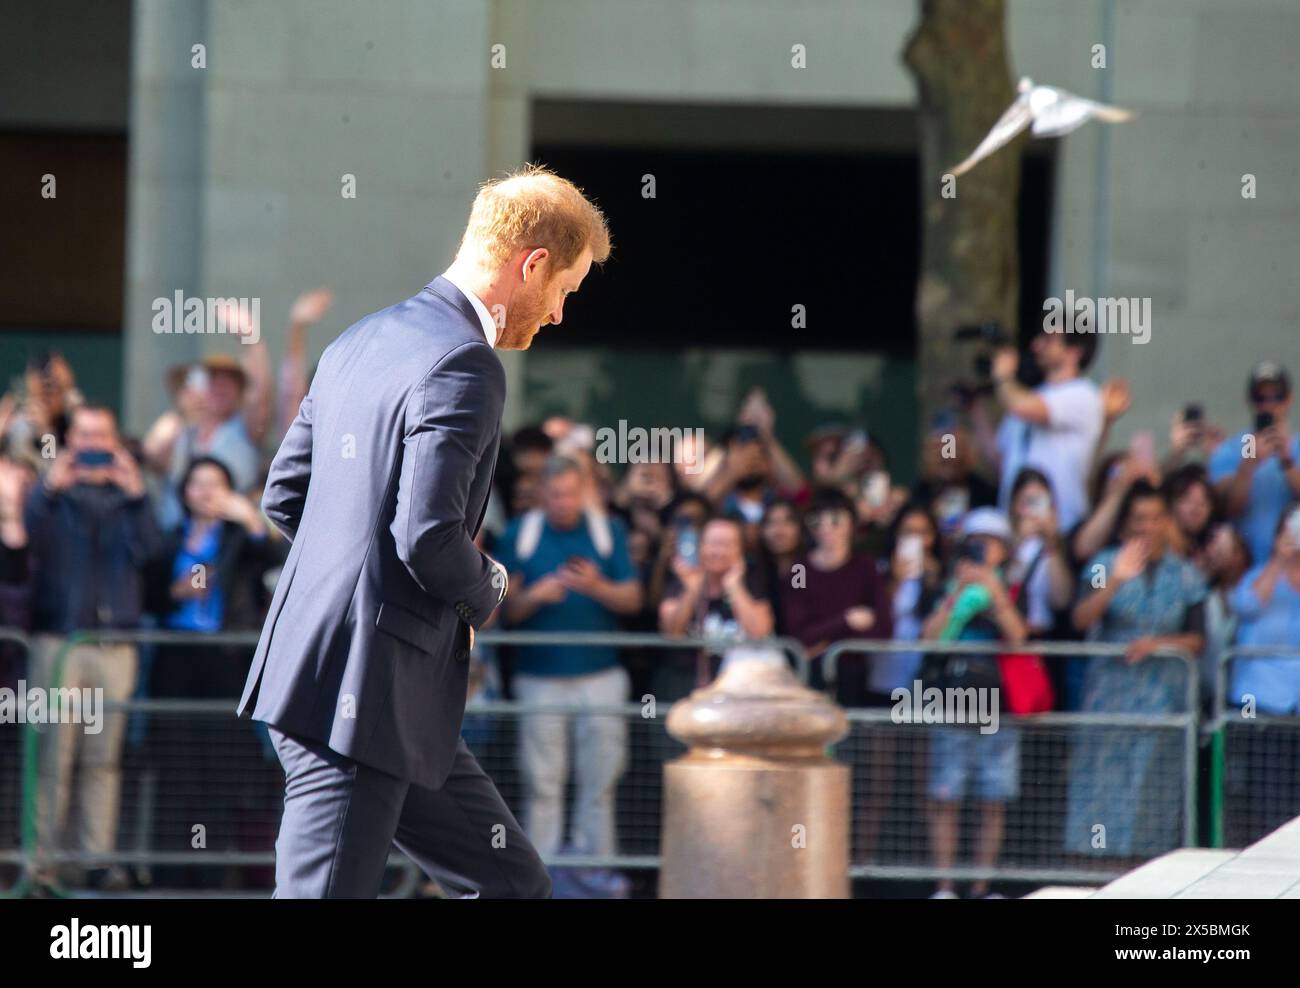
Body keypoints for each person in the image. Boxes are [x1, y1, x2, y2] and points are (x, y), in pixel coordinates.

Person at [238, 164, 611, 898]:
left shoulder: (360, 339)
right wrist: (491, 588)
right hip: (362, 695)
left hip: (364, 691)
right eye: (564, 291)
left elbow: (286, 497)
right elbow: (426, 535)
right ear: (532, 264)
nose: (559, 313)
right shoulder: (467, 363)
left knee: (515, 885)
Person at [25, 404, 162, 892]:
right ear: (70, 441)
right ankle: (41, 863)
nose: (92, 444)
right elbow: (28, 543)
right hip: (59, 643)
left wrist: (137, 493)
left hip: (114, 646)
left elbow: (154, 555)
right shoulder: (52, 496)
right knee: (52, 756)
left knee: (104, 760)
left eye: (102, 435)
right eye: (83, 435)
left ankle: (96, 860)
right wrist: (49, 487)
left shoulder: (131, 499)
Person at [494, 455, 642, 880]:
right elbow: (503, 610)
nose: (565, 502)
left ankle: (598, 874)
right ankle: (541, 877)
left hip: (601, 677)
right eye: (556, 494)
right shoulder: (520, 535)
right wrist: (535, 597)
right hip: (539, 680)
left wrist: (597, 587)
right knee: (542, 782)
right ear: (542, 493)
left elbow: (633, 600)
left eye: (572, 493)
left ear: (583, 492)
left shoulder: (608, 531)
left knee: (601, 780)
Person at [145, 456, 285, 888]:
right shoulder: (169, 539)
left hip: (225, 660)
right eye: (197, 483)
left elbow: (277, 556)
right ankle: (167, 875)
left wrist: (252, 518)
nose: (206, 492)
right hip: (176, 659)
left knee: (216, 771)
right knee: (174, 769)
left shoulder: (239, 538)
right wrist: (176, 591)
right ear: (184, 491)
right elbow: (149, 595)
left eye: (216, 484)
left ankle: (208, 876)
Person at [1065, 481, 1206, 862]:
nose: (1148, 527)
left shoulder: (1186, 574)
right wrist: (1115, 580)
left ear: (1166, 522)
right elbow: (1080, 618)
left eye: (1157, 518)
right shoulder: (1101, 565)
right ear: (1126, 526)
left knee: (1150, 799)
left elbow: (1197, 639)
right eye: (1140, 519)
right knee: (1102, 795)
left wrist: (1157, 644)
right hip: (1110, 700)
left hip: (1163, 702)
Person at [920, 508, 1029, 899]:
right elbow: (929, 639)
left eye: (991, 541)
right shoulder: (943, 587)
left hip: (1000, 705)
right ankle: (945, 888)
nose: (983, 548)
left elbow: (1018, 638)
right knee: (945, 796)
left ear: (1005, 549)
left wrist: (994, 595)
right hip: (951, 700)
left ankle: (982, 889)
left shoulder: (1015, 588)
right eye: (975, 542)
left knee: (992, 799)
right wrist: (956, 597)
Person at [1224, 506, 1300, 841]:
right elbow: (1248, 605)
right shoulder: (1258, 574)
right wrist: (1280, 561)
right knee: (1268, 798)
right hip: (1264, 703)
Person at [780, 487, 893, 707]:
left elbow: (883, 629)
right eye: (816, 520)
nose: (825, 527)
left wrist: (826, 642)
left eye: (834, 520)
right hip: (809, 679)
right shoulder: (799, 569)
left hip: (856, 680)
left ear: (851, 523)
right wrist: (847, 621)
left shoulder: (866, 567)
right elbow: (797, 633)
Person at [987, 326, 1104, 531]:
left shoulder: (1083, 393)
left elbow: (1023, 407)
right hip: (1014, 528)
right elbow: (999, 459)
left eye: (1048, 339)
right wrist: (975, 410)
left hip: (1062, 527)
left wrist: (1003, 375)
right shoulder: (1027, 396)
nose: (1036, 345)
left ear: (1075, 350)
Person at [657, 517, 775, 704]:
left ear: (740, 550)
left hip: (737, 689)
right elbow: (672, 632)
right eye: (713, 543)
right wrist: (691, 590)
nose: (719, 551)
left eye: (727, 544)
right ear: (700, 546)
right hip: (685, 685)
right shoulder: (682, 582)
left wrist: (734, 586)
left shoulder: (751, 583)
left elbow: (759, 632)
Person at [1209, 362, 1300, 567]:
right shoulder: (1230, 450)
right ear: (1250, 401)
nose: (1269, 405)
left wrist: (1287, 460)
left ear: (1289, 399)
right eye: (1261, 398)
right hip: (1246, 569)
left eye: (1277, 397)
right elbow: (1229, 508)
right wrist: (1250, 461)